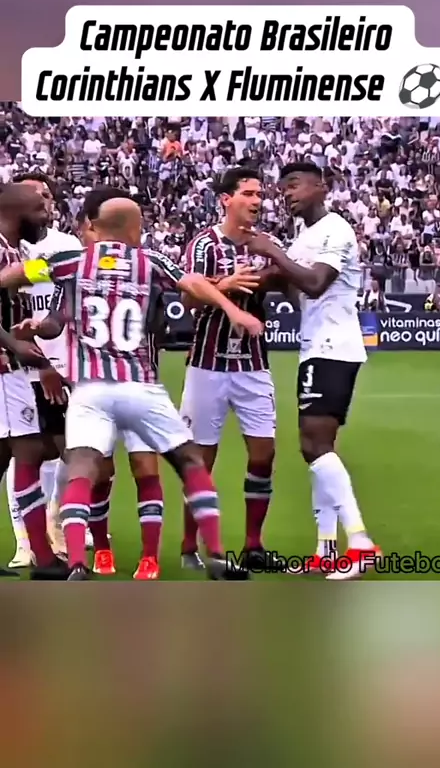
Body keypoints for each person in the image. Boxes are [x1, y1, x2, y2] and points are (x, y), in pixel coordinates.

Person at [2, 194, 263, 580]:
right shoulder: (150, 261)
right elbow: (191, 282)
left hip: (91, 389)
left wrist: (33, 323)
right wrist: (233, 309)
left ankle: (77, 562)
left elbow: (17, 275)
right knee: (190, 462)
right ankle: (217, 553)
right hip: (140, 385)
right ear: (135, 229)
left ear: (96, 227)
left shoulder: (68, 261)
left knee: (81, 469)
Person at [240, 162, 381, 580]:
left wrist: (273, 253)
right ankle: (325, 551)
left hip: (334, 348)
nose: (287, 194)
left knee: (315, 445)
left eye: (295, 185)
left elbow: (317, 283)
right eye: (283, 188)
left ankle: (360, 543)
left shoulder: (336, 230)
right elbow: (293, 287)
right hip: (317, 348)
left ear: (321, 187)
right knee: (316, 448)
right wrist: (250, 278)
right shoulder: (303, 237)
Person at [179, 168, 277, 571]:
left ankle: (254, 545)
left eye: (259, 195)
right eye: (248, 194)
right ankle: (189, 546)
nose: (256, 201)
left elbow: (283, 283)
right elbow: (188, 300)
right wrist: (226, 285)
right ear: (226, 199)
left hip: (253, 364)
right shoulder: (204, 244)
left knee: (264, 454)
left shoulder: (265, 245)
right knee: (201, 459)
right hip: (208, 364)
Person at [75, 193, 168, 580]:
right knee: (101, 472)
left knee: (146, 469)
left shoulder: (148, 266)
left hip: (141, 385)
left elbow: (178, 300)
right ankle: (103, 550)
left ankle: (150, 557)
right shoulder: (77, 266)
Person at [5, 172, 86, 569]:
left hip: (37, 364)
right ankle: (36, 550)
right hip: (15, 368)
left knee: (34, 451)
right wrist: (19, 348)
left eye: (47, 200)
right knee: (27, 450)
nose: (45, 209)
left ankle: (49, 540)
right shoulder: (7, 249)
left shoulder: (43, 248)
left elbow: (63, 299)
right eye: (36, 204)